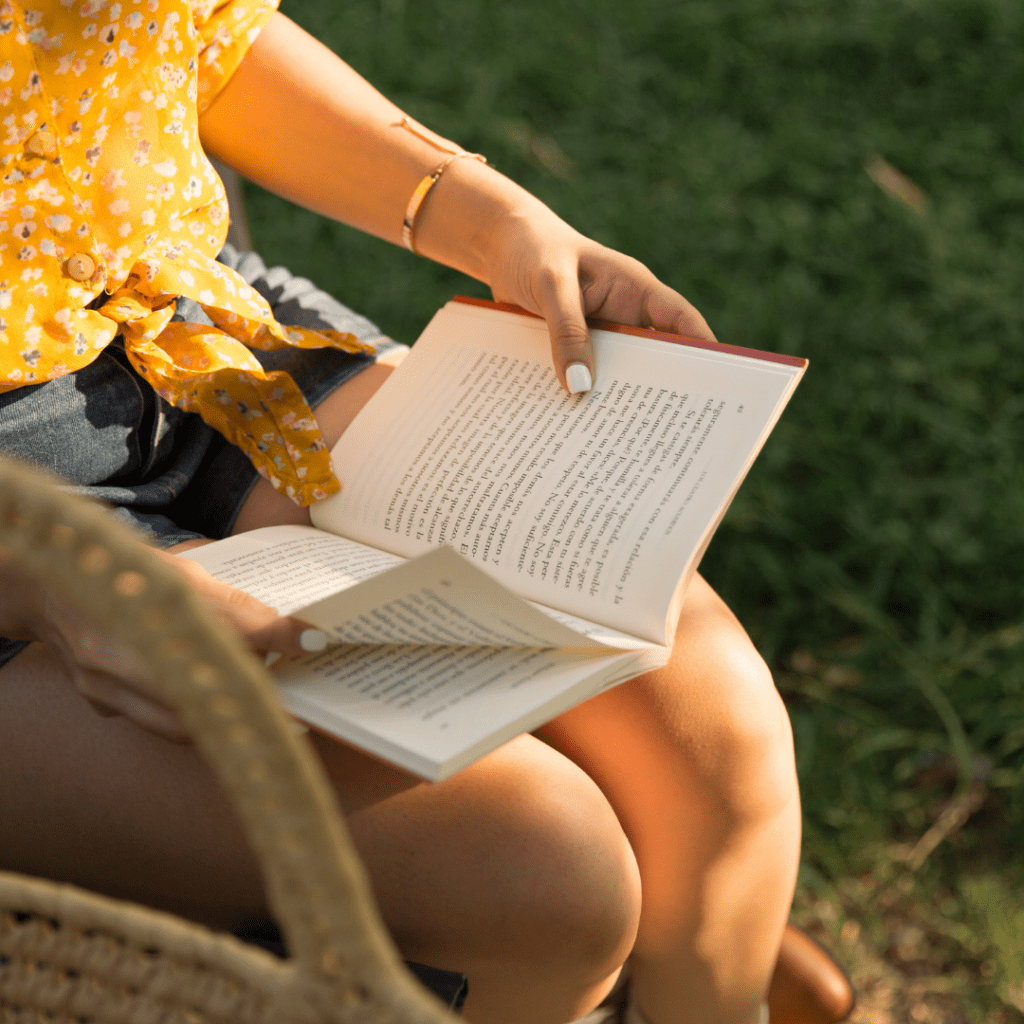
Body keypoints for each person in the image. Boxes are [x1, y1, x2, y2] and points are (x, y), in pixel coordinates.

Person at [0, 2, 851, 1023]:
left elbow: (190, 33)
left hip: (186, 330)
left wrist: (490, 216)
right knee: (543, 870)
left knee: (712, 724)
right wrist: (47, 583)